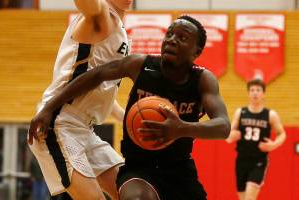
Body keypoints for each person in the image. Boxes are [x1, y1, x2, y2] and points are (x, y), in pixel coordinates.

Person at [29, 15, 231, 200]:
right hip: (138, 169)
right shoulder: (141, 65)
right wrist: (49, 107)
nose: (172, 40)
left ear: (196, 51)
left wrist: (180, 129)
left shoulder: (203, 80)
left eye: (182, 37)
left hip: (180, 170)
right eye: (169, 34)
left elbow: (223, 126)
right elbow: (95, 75)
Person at [27, 0, 133, 199]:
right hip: (58, 123)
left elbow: (102, 94)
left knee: (130, 190)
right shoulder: (101, 14)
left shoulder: (121, 31)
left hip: (85, 129)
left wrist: (131, 120)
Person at [226, 79, 286, 200]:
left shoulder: (270, 115)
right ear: (248, 93)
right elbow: (228, 135)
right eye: (252, 90)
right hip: (241, 160)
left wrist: (274, 145)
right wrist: (231, 136)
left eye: (258, 90)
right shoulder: (240, 112)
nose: (255, 93)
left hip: (259, 161)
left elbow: (282, 134)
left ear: (263, 93)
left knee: (249, 198)